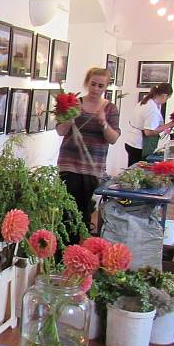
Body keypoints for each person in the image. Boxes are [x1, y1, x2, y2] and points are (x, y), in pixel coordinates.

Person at [56, 67, 121, 233]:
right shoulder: (74, 103)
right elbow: (60, 131)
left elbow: (113, 139)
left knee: (84, 211)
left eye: (100, 85)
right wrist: (69, 120)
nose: (96, 89)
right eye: (93, 84)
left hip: (93, 168)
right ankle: (62, 253)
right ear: (87, 83)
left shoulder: (110, 109)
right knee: (66, 211)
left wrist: (104, 123)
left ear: (106, 87)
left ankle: (78, 252)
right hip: (69, 164)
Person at [124, 83, 174, 166]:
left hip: (131, 142)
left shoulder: (146, 101)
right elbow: (148, 132)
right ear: (164, 95)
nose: (166, 101)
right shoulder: (152, 109)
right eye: (168, 98)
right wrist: (170, 124)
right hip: (139, 145)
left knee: (132, 169)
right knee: (137, 171)